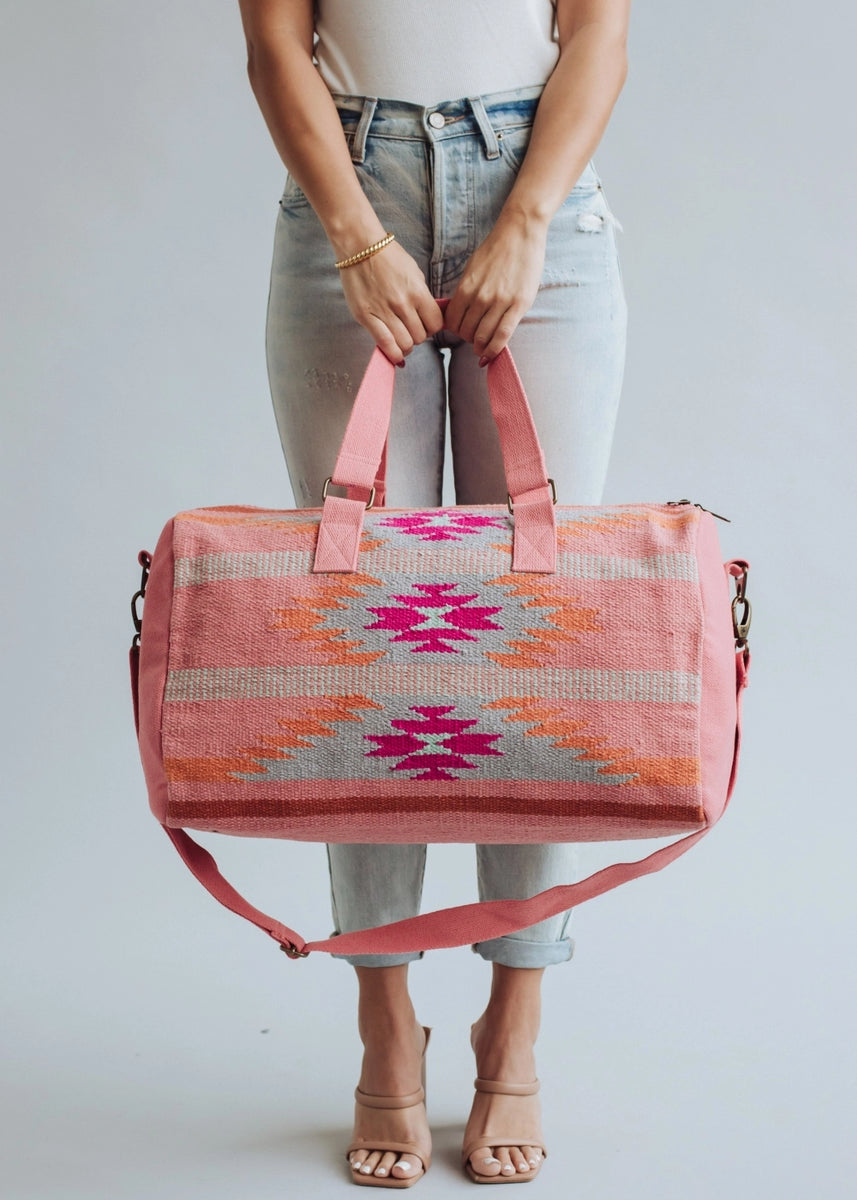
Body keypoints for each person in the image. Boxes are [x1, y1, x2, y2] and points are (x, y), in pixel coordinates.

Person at [238, 0, 630, 1185]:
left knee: (527, 646)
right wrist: (359, 237)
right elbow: (273, 46)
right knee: (370, 653)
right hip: (345, 191)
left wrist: (523, 219)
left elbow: (597, 34)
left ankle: (512, 1025)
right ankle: (383, 1027)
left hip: (541, 197)